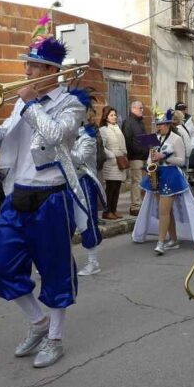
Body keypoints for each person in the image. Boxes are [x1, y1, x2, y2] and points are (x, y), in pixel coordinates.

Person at [0, 20, 91, 369]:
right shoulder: (21, 104)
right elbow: (2, 143)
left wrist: (30, 105)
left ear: (51, 71)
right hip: (17, 195)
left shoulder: (71, 104)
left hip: (51, 197)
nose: (25, 71)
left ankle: (55, 337)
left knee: (55, 271)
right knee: (3, 268)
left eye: (32, 66)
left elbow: (56, 135)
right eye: (27, 64)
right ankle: (37, 321)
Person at [132, 108, 194, 254]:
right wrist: (150, 164)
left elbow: (181, 161)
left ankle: (160, 242)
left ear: (168, 124)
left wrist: (165, 157)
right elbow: (150, 157)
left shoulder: (176, 139)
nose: (158, 127)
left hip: (170, 175)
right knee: (166, 211)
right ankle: (173, 239)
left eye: (161, 124)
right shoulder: (155, 138)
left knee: (163, 211)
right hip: (156, 174)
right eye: (157, 124)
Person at [72, 106, 106, 275]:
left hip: (84, 182)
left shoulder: (89, 137)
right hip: (67, 182)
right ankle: (57, 261)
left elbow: (79, 158)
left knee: (87, 221)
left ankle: (93, 262)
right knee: (62, 223)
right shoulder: (69, 133)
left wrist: (61, 146)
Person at [99, 105, 127, 219]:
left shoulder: (117, 128)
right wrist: (112, 155)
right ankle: (107, 211)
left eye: (115, 115)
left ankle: (114, 210)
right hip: (111, 163)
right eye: (111, 115)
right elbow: (101, 146)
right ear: (106, 117)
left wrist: (124, 153)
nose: (114, 117)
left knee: (117, 188)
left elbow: (121, 143)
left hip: (120, 162)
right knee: (110, 188)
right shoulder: (103, 130)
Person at [123, 100, 148, 216]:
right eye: (140, 108)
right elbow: (127, 140)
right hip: (135, 157)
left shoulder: (140, 122)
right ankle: (135, 206)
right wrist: (133, 152)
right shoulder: (128, 122)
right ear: (133, 109)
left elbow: (143, 138)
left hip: (143, 156)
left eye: (142, 108)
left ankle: (142, 204)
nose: (142, 110)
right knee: (137, 182)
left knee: (143, 182)